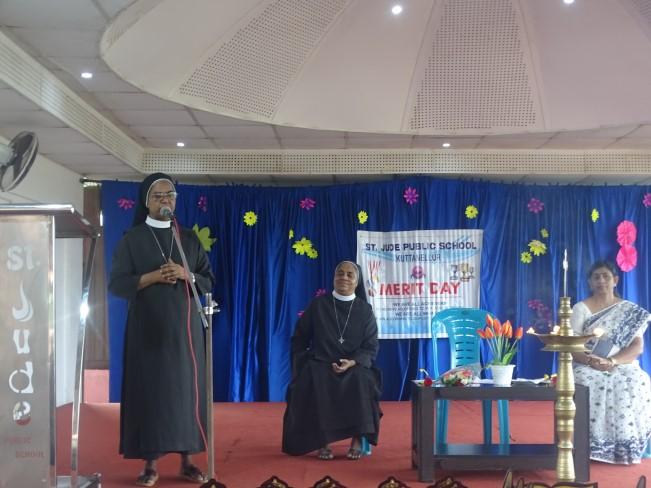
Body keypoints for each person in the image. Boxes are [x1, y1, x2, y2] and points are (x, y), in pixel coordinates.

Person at [109, 173, 215, 486]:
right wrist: (153, 277)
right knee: (151, 394)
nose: (165, 200)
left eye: (170, 195)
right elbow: (117, 284)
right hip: (148, 330)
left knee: (185, 394)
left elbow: (208, 281)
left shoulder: (189, 239)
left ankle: (187, 461)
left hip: (185, 333)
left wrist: (185, 273)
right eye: (158, 196)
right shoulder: (132, 239)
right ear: (146, 202)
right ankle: (150, 464)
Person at [282, 261, 382, 460]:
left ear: (356, 282)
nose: (344, 277)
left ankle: (357, 438)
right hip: (321, 362)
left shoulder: (365, 310)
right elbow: (299, 338)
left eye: (350, 275)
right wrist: (303, 362)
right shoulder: (318, 305)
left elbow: (370, 346)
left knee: (361, 378)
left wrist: (352, 362)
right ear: (334, 277)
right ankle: (322, 440)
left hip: (354, 365)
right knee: (315, 377)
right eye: (340, 273)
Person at [571, 260, 651, 464]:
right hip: (587, 364)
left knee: (638, 380)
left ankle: (627, 446)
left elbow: (637, 347)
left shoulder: (629, 310)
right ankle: (592, 445)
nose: (601, 281)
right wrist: (592, 361)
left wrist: (613, 361)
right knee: (591, 380)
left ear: (615, 280)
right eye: (596, 277)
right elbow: (572, 346)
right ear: (590, 282)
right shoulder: (580, 309)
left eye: (606, 276)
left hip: (620, 363)